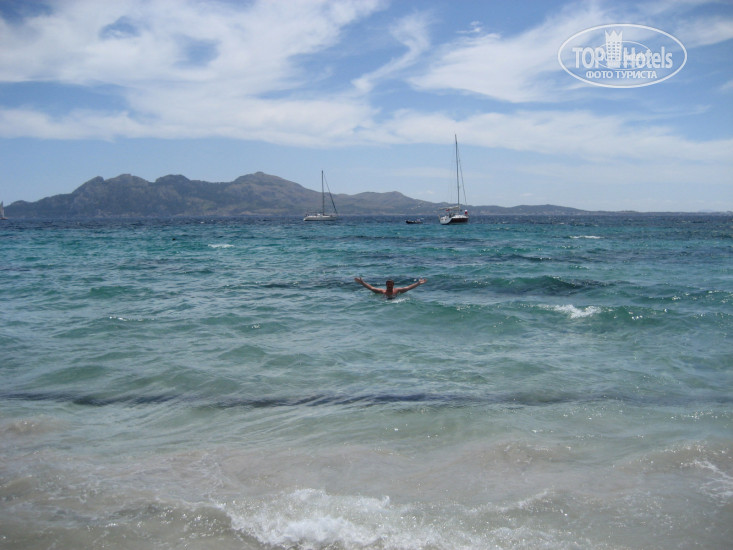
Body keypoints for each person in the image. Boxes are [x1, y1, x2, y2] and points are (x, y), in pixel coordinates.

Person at [354, 277, 427, 298]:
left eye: (390, 284)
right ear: (386, 285)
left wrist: (418, 283)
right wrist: (362, 282)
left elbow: (408, 288)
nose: (389, 285)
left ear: (393, 284)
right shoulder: (382, 291)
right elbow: (371, 288)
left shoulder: (397, 290)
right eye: (388, 284)